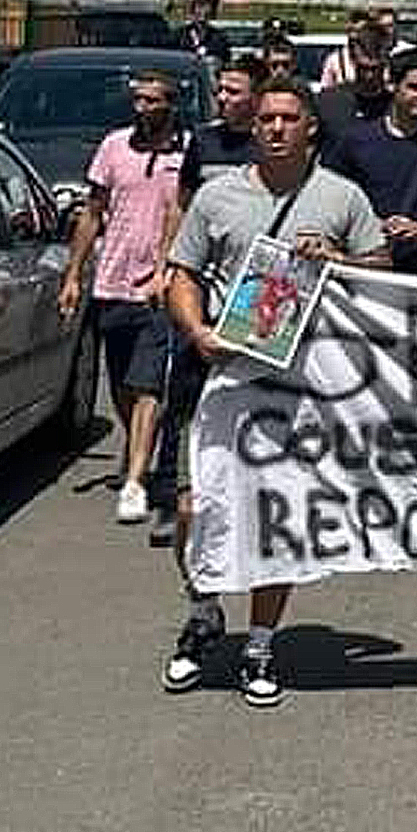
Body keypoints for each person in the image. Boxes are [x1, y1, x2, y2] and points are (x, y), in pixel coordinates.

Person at [161, 75, 390, 707]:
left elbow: (382, 274)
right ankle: (203, 607)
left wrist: (339, 257)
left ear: (310, 125)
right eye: (267, 119)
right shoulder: (218, 196)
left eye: (290, 118)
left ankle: (261, 642)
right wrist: (198, 330)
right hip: (231, 371)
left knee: (277, 518)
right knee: (194, 505)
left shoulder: (341, 197)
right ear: (252, 125)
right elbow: (179, 274)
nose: (277, 129)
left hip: (304, 382)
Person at [58, 70, 197, 526]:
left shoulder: (185, 151)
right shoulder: (115, 146)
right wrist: (75, 274)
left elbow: (181, 211)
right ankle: (139, 450)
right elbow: (93, 212)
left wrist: (165, 268)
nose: (142, 108)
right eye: (138, 100)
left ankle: (136, 479)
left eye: (152, 101)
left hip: (156, 288)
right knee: (121, 383)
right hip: (111, 282)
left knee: (147, 384)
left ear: (170, 105)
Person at [148, 55, 268, 547]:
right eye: (221, 90)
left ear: (257, 99)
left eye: (234, 91)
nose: (223, 98)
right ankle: (171, 497)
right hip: (201, 289)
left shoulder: (270, 150)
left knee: (253, 401)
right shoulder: (205, 140)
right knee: (185, 397)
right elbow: (181, 203)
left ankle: (247, 501)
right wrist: (167, 266)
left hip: (259, 296)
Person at [322, 48, 417, 278]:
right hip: (359, 266)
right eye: (413, 87)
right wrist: (368, 226)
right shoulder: (355, 140)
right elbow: (331, 201)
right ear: (393, 86)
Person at [314, 22, 392, 144]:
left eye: (375, 69)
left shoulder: (395, 107)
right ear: (353, 60)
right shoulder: (327, 101)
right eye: (363, 68)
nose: (369, 76)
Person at [319, 9, 372, 90]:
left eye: (361, 31)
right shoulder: (335, 60)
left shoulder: (380, 57)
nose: (356, 35)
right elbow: (326, 89)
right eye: (352, 31)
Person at [174, 0, 230, 65]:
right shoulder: (183, 33)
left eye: (201, 14)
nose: (198, 18)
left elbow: (223, 54)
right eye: (195, 14)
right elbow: (178, 51)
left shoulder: (216, 35)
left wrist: (206, 52)